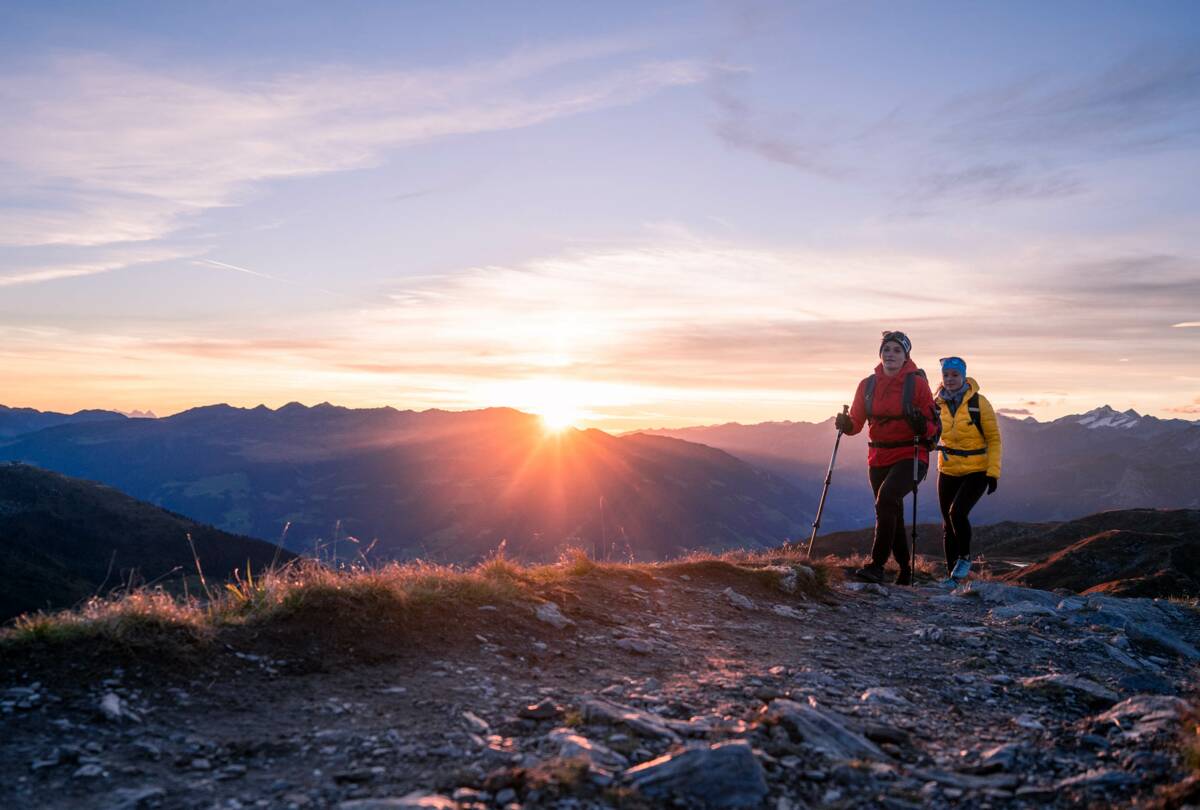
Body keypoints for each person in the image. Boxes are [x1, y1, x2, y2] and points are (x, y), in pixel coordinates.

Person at [834, 331, 940, 585]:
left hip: (912, 454)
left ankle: (876, 566)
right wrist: (845, 424)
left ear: (906, 357)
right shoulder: (867, 385)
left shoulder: (917, 385)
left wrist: (919, 426)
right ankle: (904, 570)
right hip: (878, 456)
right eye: (887, 350)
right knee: (891, 511)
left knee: (887, 500)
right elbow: (857, 424)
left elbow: (934, 428)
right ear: (880, 354)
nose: (890, 354)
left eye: (897, 350)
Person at [934, 356, 1002, 585]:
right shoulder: (936, 404)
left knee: (957, 513)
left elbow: (994, 439)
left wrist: (993, 473)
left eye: (954, 375)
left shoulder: (979, 402)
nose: (950, 379)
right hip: (948, 468)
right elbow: (930, 434)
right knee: (947, 524)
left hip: (977, 469)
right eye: (946, 375)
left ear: (963, 376)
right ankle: (952, 577)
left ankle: (964, 558)